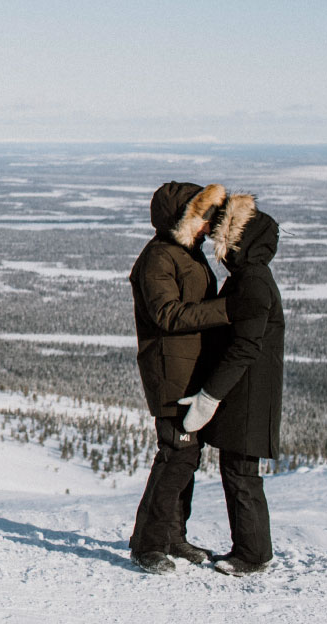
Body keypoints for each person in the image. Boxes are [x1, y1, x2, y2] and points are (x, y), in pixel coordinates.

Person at [127, 181, 233, 574]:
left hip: (190, 368)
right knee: (176, 455)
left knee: (186, 457)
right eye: (202, 216)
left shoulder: (187, 253)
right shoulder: (158, 258)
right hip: (169, 371)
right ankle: (146, 544)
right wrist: (226, 310)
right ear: (182, 218)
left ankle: (172, 536)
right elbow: (167, 315)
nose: (209, 225)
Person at [178, 192, 285, 577]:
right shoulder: (251, 276)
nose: (220, 250)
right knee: (238, 473)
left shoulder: (252, 281)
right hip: (249, 391)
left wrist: (210, 395)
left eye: (225, 240)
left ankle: (253, 555)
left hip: (249, 394)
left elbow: (245, 347)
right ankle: (251, 550)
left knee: (241, 475)